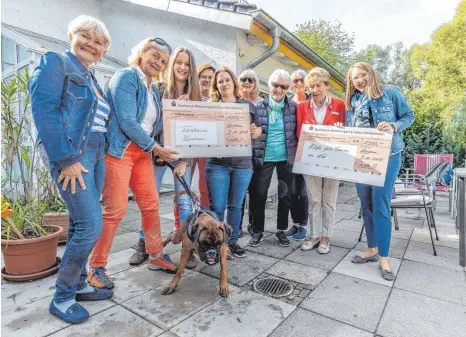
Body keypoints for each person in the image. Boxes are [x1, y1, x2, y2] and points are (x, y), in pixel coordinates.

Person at [29, 15, 113, 324]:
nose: (92, 44)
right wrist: (65, 158)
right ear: (71, 35)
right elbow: (45, 110)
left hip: (96, 152)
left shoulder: (91, 77)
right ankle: (62, 296)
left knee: (81, 223)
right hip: (74, 154)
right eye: (86, 36)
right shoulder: (56, 62)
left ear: (104, 51)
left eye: (100, 41)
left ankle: (78, 284)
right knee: (91, 225)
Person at [88, 37, 180, 289]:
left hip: (141, 153)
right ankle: (96, 267)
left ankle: (155, 255)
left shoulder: (151, 87)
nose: (158, 62)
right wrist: (156, 147)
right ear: (141, 52)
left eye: (163, 61)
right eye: (155, 55)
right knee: (115, 211)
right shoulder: (126, 77)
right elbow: (128, 122)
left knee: (150, 205)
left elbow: (153, 125)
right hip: (120, 151)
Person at [129, 47, 202, 268]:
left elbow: (198, 133)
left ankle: (187, 248)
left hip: (183, 158)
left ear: (192, 68)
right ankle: (144, 243)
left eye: (187, 64)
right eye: (178, 62)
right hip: (158, 154)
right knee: (150, 201)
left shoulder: (197, 97)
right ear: (172, 65)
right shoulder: (158, 90)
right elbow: (151, 123)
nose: (182, 67)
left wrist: (183, 160)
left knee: (185, 201)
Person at [344, 62, 414, 280]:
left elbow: (408, 116)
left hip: (389, 156)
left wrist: (394, 126)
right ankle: (372, 248)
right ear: (351, 82)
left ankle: (384, 257)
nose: (360, 80)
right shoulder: (353, 101)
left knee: (380, 205)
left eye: (363, 75)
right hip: (361, 158)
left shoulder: (390, 93)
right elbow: (351, 130)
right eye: (355, 77)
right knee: (366, 205)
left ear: (371, 74)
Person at [205, 66, 262, 257]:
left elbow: (259, 130)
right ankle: (217, 242)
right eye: (219, 81)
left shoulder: (248, 106)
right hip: (217, 165)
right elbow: (203, 134)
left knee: (236, 205)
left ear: (233, 82)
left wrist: (257, 132)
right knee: (218, 207)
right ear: (216, 86)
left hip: (242, 165)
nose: (223, 84)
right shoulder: (210, 107)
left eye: (227, 80)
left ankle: (233, 241)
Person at [296, 67, 346, 254]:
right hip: (310, 159)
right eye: (311, 86)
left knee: (329, 201)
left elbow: (349, 132)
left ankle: (326, 237)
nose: (315, 90)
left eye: (318, 85)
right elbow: (297, 132)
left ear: (327, 85)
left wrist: (342, 130)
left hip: (334, 160)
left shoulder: (340, 106)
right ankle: (314, 234)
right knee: (314, 200)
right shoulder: (301, 107)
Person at [249, 69, 298, 247]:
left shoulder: (293, 107)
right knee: (259, 195)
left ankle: (281, 230)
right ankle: (257, 230)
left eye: (283, 87)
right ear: (269, 85)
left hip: (286, 158)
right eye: (275, 85)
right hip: (265, 156)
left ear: (288, 89)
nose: (278, 89)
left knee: (285, 195)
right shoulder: (258, 107)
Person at [284, 69, 309, 240]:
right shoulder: (287, 103)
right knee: (291, 191)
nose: (298, 84)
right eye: (295, 81)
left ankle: (304, 225)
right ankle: (295, 223)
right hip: (290, 152)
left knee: (304, 192)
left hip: (308, 153)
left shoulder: (311, 101)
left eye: (301, 80)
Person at [237, 69, 263, 235]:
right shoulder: (235, 101)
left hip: (257, 153)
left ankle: (253, 226)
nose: (247, 82)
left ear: (256, 83)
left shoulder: (262, 104)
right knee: (239, 194)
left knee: (255, 192)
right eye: (243, 79)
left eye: (251, 79)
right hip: (239, 155)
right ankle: (236, 226)